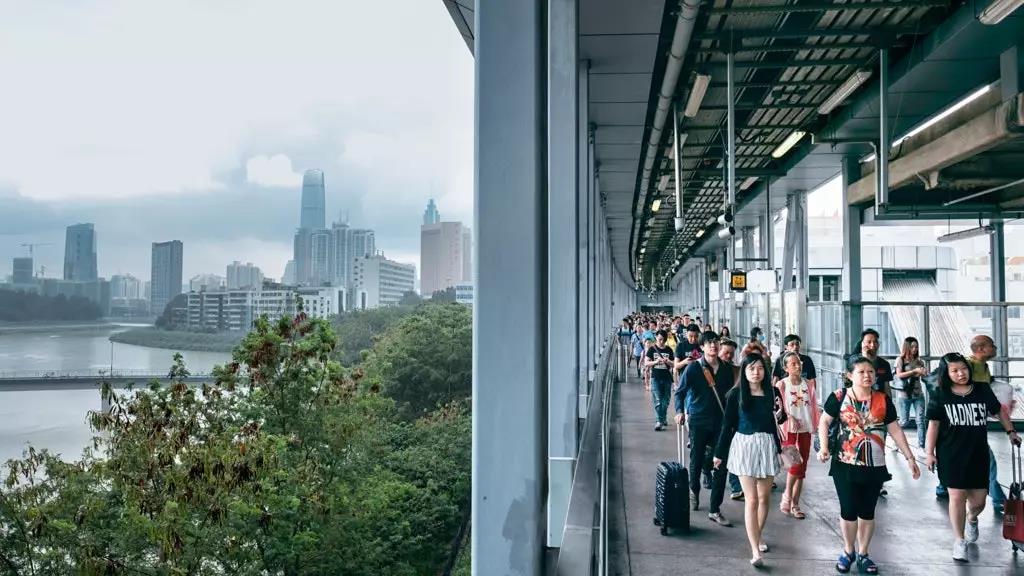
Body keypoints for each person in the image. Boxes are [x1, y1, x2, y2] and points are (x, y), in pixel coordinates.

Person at [817, 355, 920, 575]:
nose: (867, 375)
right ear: (849, 375)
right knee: (848, 509)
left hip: (874, 464)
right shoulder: (838, 397)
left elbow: (895, 430)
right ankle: (848, 550)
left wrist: (910, 457)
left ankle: (863, 553)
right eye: (861, 372)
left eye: (870, 372)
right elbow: (824, 422)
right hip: (844, 462)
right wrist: (824, 447)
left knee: (867, 511)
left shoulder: (883, 399)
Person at [925, 352, 1021, 562]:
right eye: (955, 371)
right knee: (956, 496)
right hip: (950, 453)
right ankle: (959, 541)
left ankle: (972, 518)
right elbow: (933, 424)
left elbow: (999, 412)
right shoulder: (940, 394)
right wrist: (929, 453)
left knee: (978, 501)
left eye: (964, 369)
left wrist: (1011, 431)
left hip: (977, 453)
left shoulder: (981, 389)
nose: (961, 374)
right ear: (946, 373)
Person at [713, 353, 784, 567]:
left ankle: (758, 535)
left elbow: (775, 424)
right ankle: (755, 550)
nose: (756, 372)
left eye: (760, 368)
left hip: (767, 445)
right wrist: (719, 453)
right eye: (751, 368)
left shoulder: (772, 392)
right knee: (751, 499)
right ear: (744, 371)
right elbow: (727, 426)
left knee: (765, 499)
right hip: (744, 446)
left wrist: (779, 450)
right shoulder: (735, 394)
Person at [934, 335, 1008, 513]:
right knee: (987, 465)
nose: (995, 348)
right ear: (981, 348)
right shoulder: (968, 365)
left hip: (975, 428)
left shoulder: (984, 367)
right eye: (992, 345)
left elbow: (988, 395)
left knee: (981, 467)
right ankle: (998, 498)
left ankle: (947, 488)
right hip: (956, 429)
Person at [674, 332, 733, 527]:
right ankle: (694, 491)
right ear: (702, 347)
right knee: (696, 459)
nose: (713, 346)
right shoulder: (693, 368)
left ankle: (715, 509)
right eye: (709, 343)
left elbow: (731, 396)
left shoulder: (726, 369)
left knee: (721, 463)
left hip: (721, 422)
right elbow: (680, 392)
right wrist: (679, 411)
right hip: (699, 420)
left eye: (715, 342)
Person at [776, 351, 819, 520]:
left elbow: (814, 406)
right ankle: (787, 495)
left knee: (802, 468)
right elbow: (777, 409)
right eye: (793, 364)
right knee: (794, 464)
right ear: (786, 368)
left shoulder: (808, 384)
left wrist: (816, 427)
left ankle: (795, 504)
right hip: (789, 431)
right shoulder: (781, 385)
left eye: (798, 362)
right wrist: (789, 416)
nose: (797, 366)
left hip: (806, 429)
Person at [719, 338, 745, 501]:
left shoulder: (737, 370)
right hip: (714, 417)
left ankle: (735, 486)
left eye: (731, 354)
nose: (728, 356)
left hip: (731, 417)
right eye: (725, 353)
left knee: (733, 451)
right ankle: (707, 472)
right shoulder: (707, 370)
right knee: (716, 452)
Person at [893, 337, 927, 449]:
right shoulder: (900, 360)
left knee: (920, 421)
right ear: (907, 347)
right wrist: (914, 372)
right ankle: (896, 441)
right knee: (904, 421)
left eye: (916, 347)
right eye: (912, 346)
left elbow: (924, 375)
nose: (915, 349)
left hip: (918, 394)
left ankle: (921, 446)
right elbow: (899, 375)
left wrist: (923, 373)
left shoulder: (919, 361)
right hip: (904, 395)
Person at [645, 330, 674, 431]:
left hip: (667, 378)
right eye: (659, 339)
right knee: (657, 400)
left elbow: (674, 364)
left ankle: (663, 417)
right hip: (655, 378)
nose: (660, 341)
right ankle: (659, 421)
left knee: (665, 400)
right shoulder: (652, 349)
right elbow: (646, 363)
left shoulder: (669, 350)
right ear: (656, 339)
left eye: (662, 339)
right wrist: (656, 362)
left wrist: (668, 361)